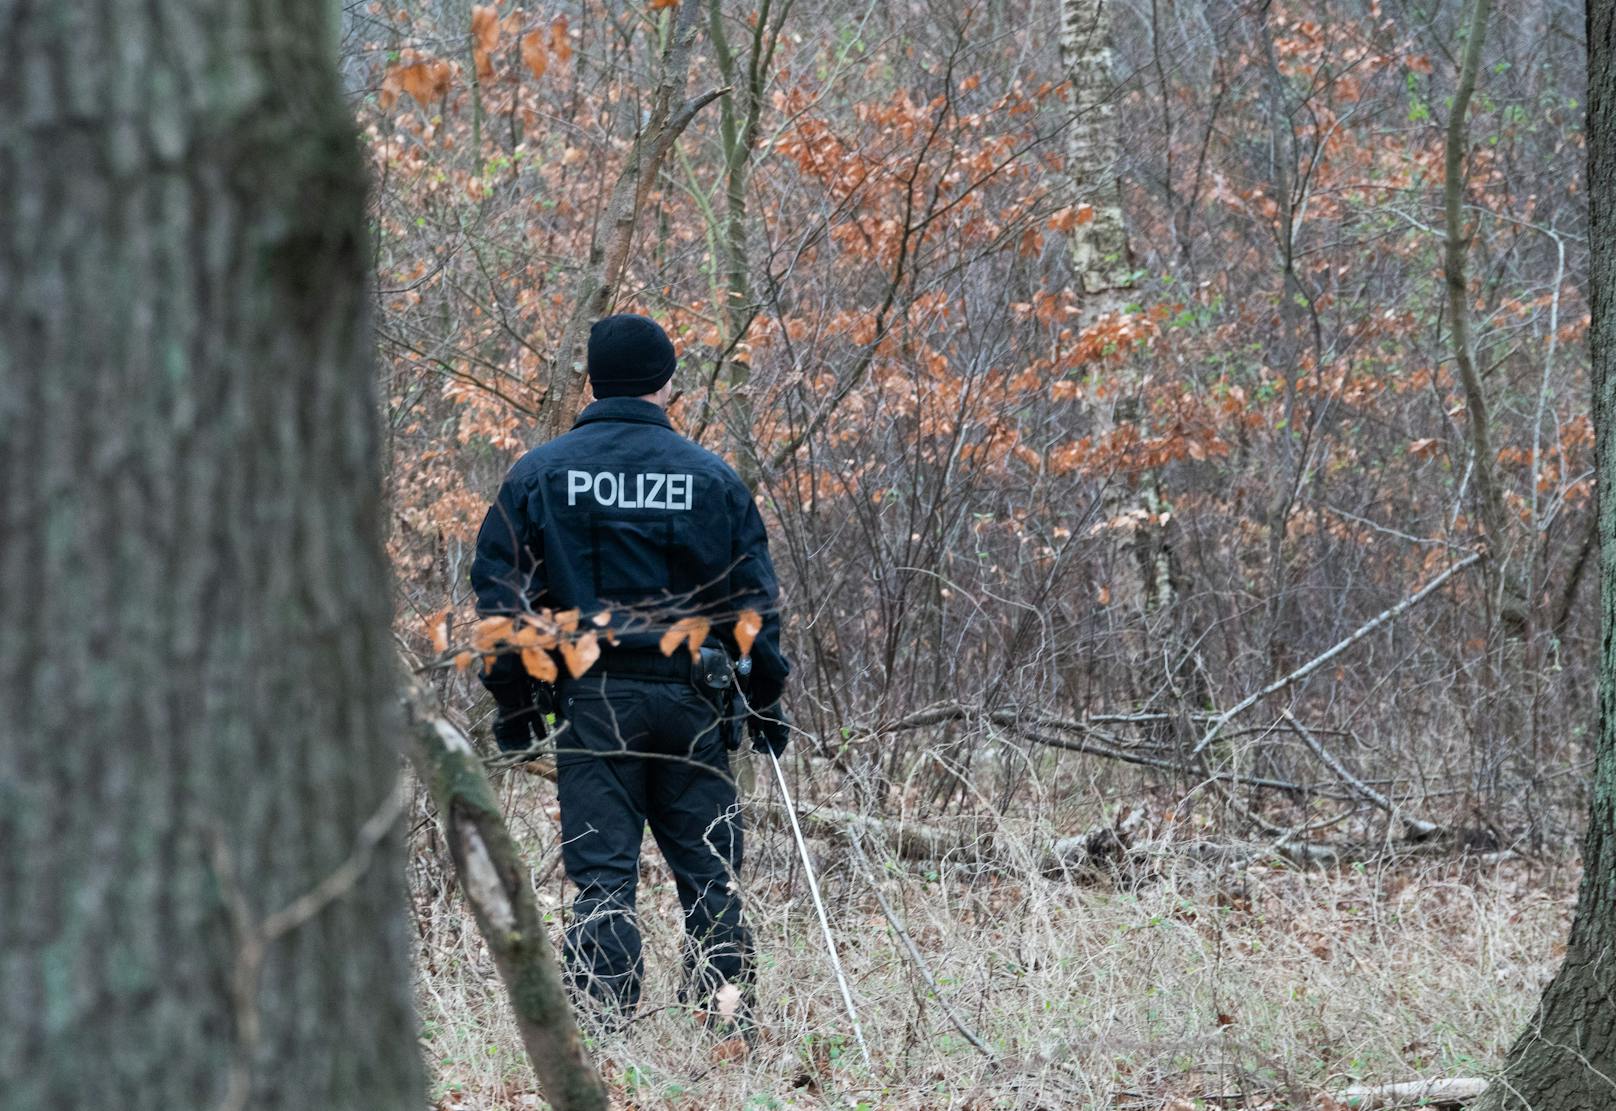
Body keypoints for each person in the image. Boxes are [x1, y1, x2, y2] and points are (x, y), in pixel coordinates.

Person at [468, 312, 790, 1032]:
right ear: (668, 382)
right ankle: (724, 1024)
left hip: (596, 701)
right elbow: (756, 606)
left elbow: (500, 600)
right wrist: (765, 699)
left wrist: (516, 702)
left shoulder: (540, 475)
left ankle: (604, 1034)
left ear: (590, 379)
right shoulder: (712, 479)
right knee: (711, 874)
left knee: (603, 877)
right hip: (695, 699)